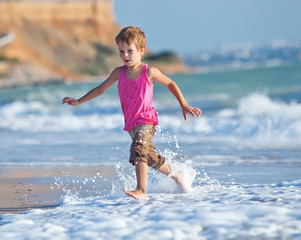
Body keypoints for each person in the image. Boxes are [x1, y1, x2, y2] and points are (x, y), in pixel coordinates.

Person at [62, 26, 202, 200]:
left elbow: (171, 84)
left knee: (138, 151)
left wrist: (183, 104)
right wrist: (79, 100)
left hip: (147, 121)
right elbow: (100, 89)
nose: (125, 55)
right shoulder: (118, 73)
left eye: (130, 51)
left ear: (141, 51)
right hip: (131, 124)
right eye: (121, 51)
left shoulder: (149, 72)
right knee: (149, 158)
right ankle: (176, 174)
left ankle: (141, 190)